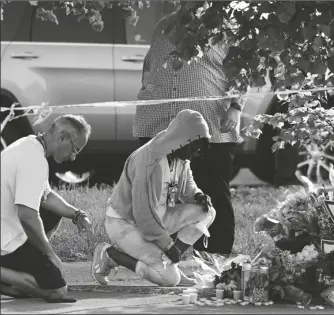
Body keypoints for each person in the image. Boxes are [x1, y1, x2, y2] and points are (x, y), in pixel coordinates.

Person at [133, 5, 242, 256]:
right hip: (159, 124)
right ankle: (167, 252)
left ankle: (218, 255)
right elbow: (150, 65)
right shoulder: (165, 24)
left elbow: (242, 70)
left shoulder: (226, 27)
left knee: (211, 190)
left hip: (210, 124)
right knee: (160, 192)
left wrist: (236, 106)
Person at [91, 109, 216, 287]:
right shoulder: (148, 160)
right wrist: (167, 245)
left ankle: (170, 261)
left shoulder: (180, 155)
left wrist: (198, 195)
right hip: (126, 224)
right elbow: (143, 213)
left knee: (206, 212)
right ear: (182, 140)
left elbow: (187, 185)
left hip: (156, 218)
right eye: (194, 149)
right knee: (170, 279)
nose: (196, 155)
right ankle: (111, 255)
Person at [1, 114, 93, 303]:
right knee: (57, 291)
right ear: (62, 137)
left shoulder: (29, 144)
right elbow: (27, 216)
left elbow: (46, 196)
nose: (74, 157)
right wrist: (51, 255)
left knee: (53, 211)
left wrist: (77, 214)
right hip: (5, 241)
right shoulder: (34, 160)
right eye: (75, 149)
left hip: (6, 229)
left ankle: (19, 270)